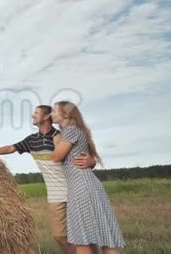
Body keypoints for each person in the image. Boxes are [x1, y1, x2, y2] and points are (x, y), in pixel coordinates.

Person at [0, 105, 96, 254]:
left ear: (46, 117)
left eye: (36, 113)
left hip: (74, 190)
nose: (33, 115)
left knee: (82, 237)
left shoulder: (62, 136)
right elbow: (10, 148)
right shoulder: (32, 140)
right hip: (55, 195)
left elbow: (83, 155)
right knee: (60, 236)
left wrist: (92, 162)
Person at [51, 101, 125, 254]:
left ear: (65, 114)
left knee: (81, 239)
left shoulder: (70, 131)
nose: (51, 114)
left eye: (54, 111)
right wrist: (92, 161)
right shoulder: (76, 130)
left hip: (81, 186)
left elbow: (57, 156)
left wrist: (55, 139)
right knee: (105, 237)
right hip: (87, 183)